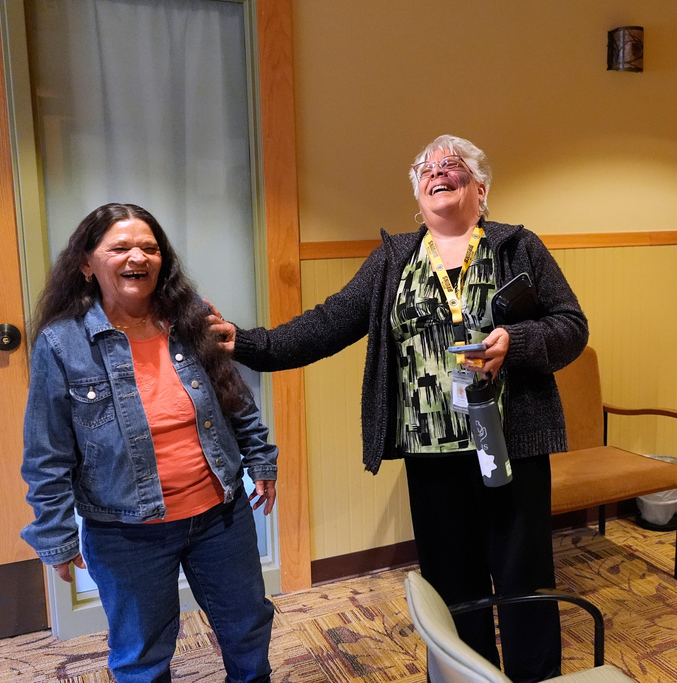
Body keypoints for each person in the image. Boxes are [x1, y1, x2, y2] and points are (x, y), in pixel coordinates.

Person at [209, 135, 588, 682]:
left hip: (511, 446)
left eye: (452, 165)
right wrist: (246, 343)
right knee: (452, 585)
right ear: (416, 190)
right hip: (431, 454)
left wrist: (517, 342)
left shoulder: (518, 247)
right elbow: (328, 321)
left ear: (481, 187)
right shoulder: (394, 260)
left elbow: (571, 327)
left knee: (523, 580)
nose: (438, 172)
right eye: (426, 167)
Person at [20, 203, 277, 683]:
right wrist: (53, 535)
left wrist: (260, 455)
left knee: (247, 628)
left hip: (220, 513)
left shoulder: (191, 317)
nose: (137, 256)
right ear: (86, 264)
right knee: (142, 653)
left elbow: (231, 395)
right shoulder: (62, 343)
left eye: (149, 247)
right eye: (119, 247)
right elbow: (46, 452)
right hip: (125, 531)